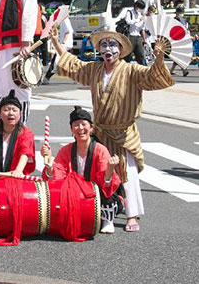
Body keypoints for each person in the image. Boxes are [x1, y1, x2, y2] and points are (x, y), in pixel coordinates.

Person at [51, 26, 174, 233]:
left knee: (127, 171)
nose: (107, 49)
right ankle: (100, 211)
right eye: (103, 45)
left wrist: (159, 58)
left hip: (123, 132)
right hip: (101, 131)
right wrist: (55, 43)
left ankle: (132, 214)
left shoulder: (132, 70)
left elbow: (153, 76)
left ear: (120, 49)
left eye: (112, 44)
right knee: (101, 172)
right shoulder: (95, 69)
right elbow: (73, 65)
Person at [41, 106, 122, 237]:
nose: (80, 128)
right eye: (76, 125)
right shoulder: (66, 150)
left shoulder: (100, 150)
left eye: (83, 124)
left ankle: (107, 219)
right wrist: (50, 166)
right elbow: (59, 174)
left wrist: (110, 169)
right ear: (72, 130)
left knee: (107, 194)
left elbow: (106, 182)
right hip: (73, 193)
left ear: (91, 128)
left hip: (95, 193)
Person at [120, 0, 147, 65]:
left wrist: (144, 38)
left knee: (141, 55)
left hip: (138, 36)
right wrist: (137, 20)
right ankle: (124, 69)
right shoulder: (129, 12)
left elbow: (142, 28)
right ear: (136, 5)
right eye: (139, 7)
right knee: (127, 55)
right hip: (130, 36)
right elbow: (128, 21)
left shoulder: (140, 14)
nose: (140, 9)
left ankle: (142, 71)